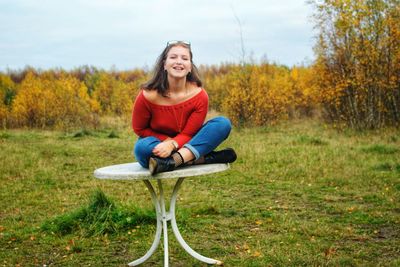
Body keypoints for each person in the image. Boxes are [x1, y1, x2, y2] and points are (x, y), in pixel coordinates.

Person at [132, 40, 236, 175]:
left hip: (188, 140)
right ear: (164, 64)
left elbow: (188, 133)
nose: (179, 61)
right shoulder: (147, 95)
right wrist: (167, 142)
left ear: (190, 67)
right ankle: (200, 158)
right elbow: (139, 128)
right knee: (142, 149)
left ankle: (172, 162)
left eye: (185, 58)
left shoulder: (199, 95)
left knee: (222, 124)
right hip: (159, 143)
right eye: (173, 57)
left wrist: (173, 145)